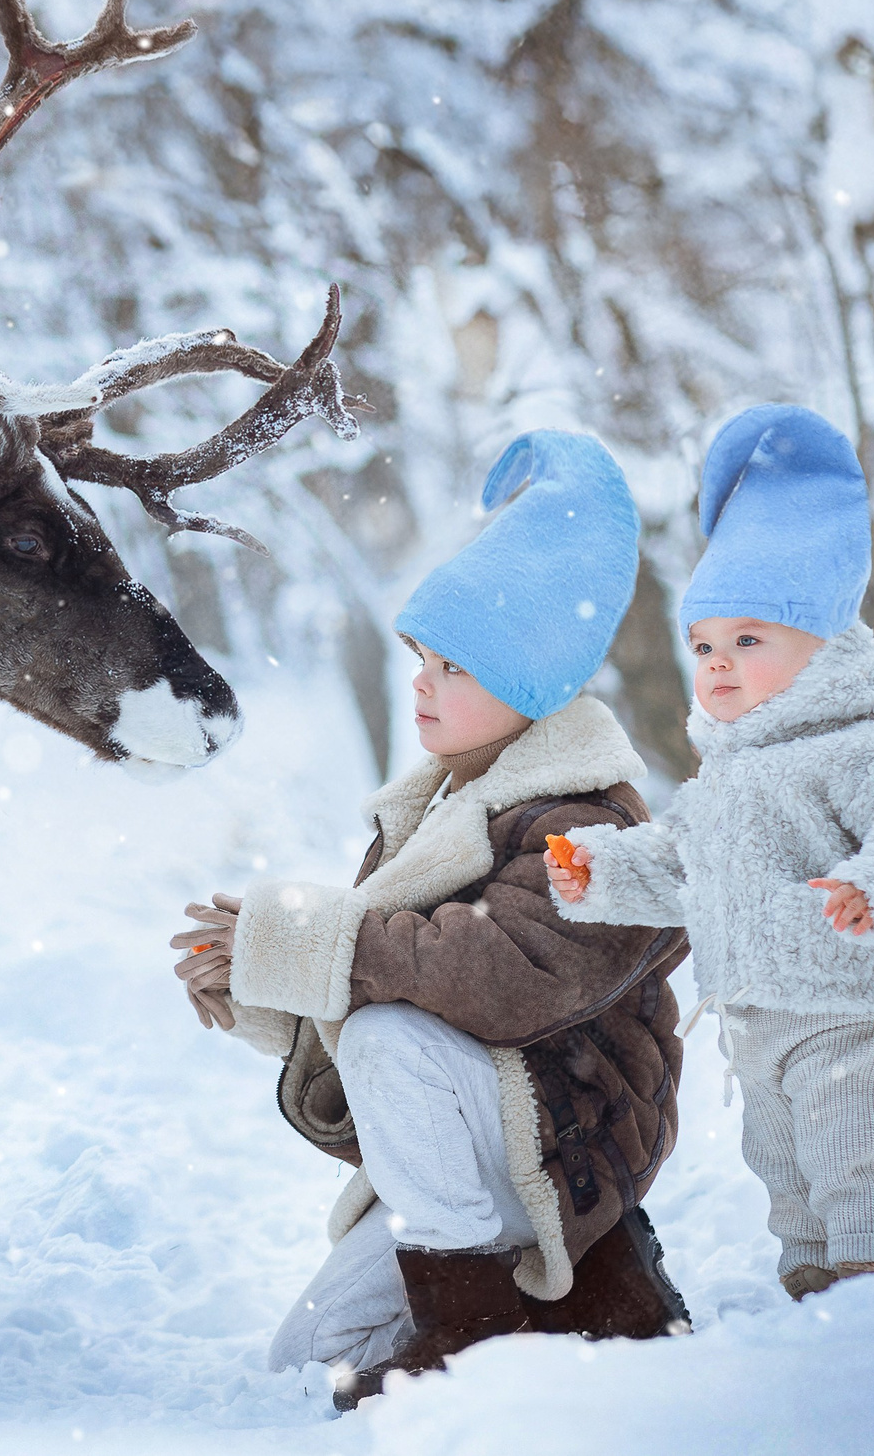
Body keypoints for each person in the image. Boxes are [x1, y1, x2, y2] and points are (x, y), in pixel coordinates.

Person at [174, 431, 689, 1409]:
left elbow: (496, 974)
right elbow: (387, 1016)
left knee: (385, 1031)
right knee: (309, 1362)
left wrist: (304, 938)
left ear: (528, 684)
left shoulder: (590, 823)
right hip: (479, 1140)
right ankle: (589, 1305)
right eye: (420, 655)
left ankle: (475, 1335)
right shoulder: (432, 816)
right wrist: (257, 985)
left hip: (562, 1139)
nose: (419, 681)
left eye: (452, 665)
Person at [548, 404, 874, 1301]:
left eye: (750, 640)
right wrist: (603, 870)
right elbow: (687, 867)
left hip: (854, 997)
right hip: (760, 1007)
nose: (718, 666)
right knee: (778, 1156)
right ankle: (811, 1276)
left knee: (849, 1148)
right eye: (703, 645)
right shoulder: (736, 764)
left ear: (823, 643)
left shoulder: (866, 736)